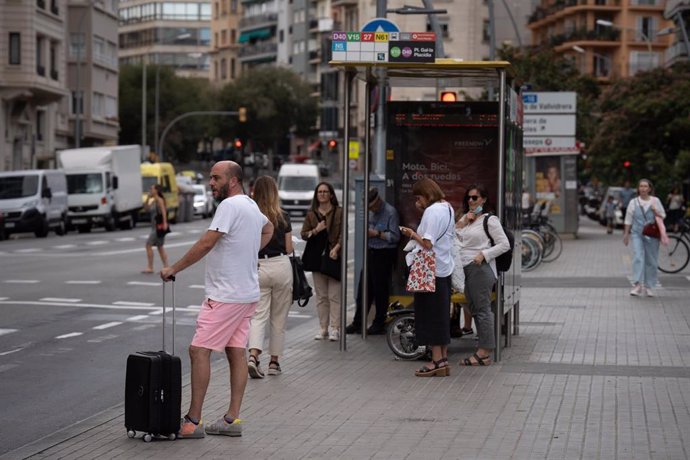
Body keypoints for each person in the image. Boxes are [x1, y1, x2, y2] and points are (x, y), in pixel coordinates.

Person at [160, 161, 274, 438]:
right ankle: (231, 419)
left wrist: (173, 268)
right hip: (246, 294)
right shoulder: (251, 205)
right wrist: (248, 253)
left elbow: (207, 243)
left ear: (232, 180)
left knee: (199, 351)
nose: (210, 182)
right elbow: (269, 228)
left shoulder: (229, 206)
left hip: (225, 296)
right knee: (236, 353)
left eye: (215, 178)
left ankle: (192, 422)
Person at [399, 178, 455, 377]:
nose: (417, 201)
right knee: (440, 315)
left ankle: (436, 361)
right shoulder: (447, 207)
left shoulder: (432, 212)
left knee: (429, 315)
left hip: (428, 270)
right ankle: (444, 359)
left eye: (419, 197)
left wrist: (411, 233)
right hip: (443, 267)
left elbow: (427, 243)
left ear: (427, 194)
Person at [455, 185, 510, 366]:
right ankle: (483, 349)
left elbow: (504, 244)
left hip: (480, 268)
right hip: (465, 269)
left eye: (475, 198)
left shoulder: (490, 220)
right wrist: (462, 223)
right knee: (474, 309)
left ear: (484, 200)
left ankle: (484, 352)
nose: (471, 201)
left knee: (483, 309)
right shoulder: (466, 218)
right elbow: (454, 239)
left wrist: (484, 254)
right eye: (468, 198)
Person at [246, 176, 294, 379]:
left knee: (258, 315)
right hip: (281, 266)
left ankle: (253, 356)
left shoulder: (252, 215)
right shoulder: (283, 216)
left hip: (258, 267)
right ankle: (274, 362)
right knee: (279, 317)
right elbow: (290, 248)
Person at [346, 187, 400, 335]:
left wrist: (377, 233)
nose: (371, 209)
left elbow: (395, 237)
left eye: (372, 206)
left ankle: (379, 322)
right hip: (371, 252)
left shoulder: (390, 212)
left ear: (378, 202)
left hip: (384, 253)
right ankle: (358, 322)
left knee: (380, 289)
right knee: (364, 288)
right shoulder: (371, 213)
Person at [301, 182, 343, 341]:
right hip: (316, 259)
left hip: (333, 257)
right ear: (316, 195)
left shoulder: (339, 212)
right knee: (321, 297)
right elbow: (304, 234)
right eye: (320, 192)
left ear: (331, 195)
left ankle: (335, 328)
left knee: (334, 296)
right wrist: (316, 230)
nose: (323, 194)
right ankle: (323, 328)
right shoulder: (311, 214)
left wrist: (337, 248)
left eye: (326, 191)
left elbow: (343, 233)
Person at [623, 179, 666, 297]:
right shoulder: (633, 202)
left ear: (649, 189)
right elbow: (628, 219)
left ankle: (648, 286)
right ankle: (637, 285)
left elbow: (663, 215)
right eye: (641, 186)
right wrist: (626, 234)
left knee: (651, 260)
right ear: (638, 189)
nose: (643, 188)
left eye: (645, 186)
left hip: (651, 235)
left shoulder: (655, 201)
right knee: (638, 257)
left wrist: (655, 210)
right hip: (637, 233)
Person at [141, 184, 169, 273]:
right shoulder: (153, 201)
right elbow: (146, 209)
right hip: (154, 227)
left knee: (148, 245)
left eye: (152, 189)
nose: (150, 190)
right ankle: (166, 266)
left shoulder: (159, 200)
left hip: (158, 227)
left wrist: (165, 223)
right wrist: (148, 198)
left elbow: (164, 212)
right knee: (160, 247)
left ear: (156, 190)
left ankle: (150, 267)